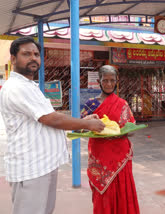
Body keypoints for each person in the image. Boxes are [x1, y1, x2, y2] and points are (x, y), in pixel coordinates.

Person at [0, 36, 105, 214]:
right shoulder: (17, 87)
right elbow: (51, 119)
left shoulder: (29, 86)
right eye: (26, 54)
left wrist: (83, 122)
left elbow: (48, 120)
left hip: (43, 165)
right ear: (13, 59)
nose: (33, 58)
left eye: (36, 54)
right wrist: (87, 125)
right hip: (31, 168)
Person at [81, 65, 140, 214]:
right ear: (99, 81)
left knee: (122, 190)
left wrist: (121, 131)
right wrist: (91, 125)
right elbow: (80, 127)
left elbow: (131, 130)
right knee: (102, 192)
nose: (108, 84)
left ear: (116, 81)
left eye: (112, 80)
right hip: (99, 155)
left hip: (120, 155)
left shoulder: (122, 104)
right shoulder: (91, 104)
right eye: (105, 80)